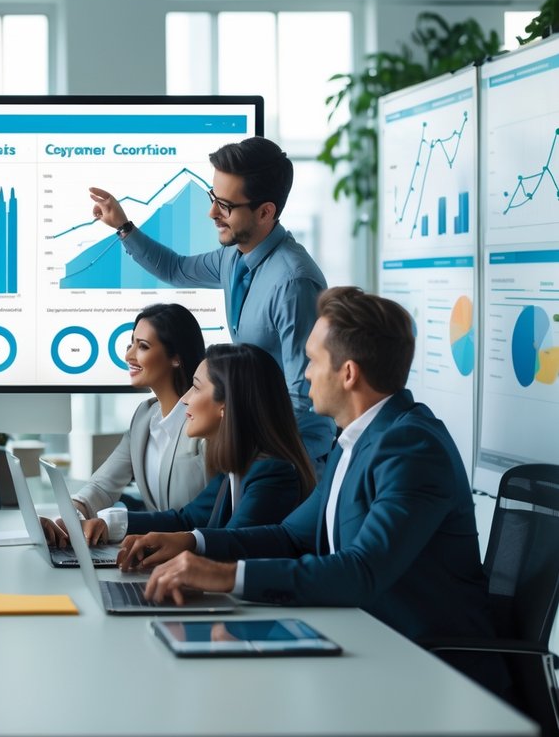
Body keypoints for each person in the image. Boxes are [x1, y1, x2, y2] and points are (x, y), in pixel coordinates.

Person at [135, 287, 505, 692]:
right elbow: (291, 536)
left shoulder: (411, 447)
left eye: (312, 361)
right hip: (365, 642)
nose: (304, 374)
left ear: (347, 373)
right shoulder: (355, 441)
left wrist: (225, 576)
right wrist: (193, 543)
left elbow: (361, 570)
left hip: (428, 667)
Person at [89, 136, 334, 464]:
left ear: (265, 212)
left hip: (292, 458)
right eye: (212, 197)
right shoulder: (233, 257)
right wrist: (123, 226)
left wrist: (259, 457)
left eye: (226, 206)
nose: (212, 212)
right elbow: (176, 269)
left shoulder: (293, 283)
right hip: (259, 450)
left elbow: (304, 400)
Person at [98, 343, 315, 558]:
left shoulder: (273, 473)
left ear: (226, 404)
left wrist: (187, 543)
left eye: (196, 387)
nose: (185, 399)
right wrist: (108, 524)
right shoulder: (236, 466)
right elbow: (187, 520)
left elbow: (235, 544)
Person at [39, 303, 207, 546]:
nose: (129, 355)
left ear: (176, 358)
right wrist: (71, 516)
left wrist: (111, 524)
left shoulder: (204, 422)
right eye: (131, 344)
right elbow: (102, 486)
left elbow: (204, 515)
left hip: (195, 558)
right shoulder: (144, 416)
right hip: (153, 557)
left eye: (143, 346)